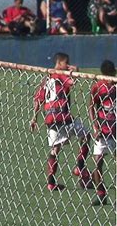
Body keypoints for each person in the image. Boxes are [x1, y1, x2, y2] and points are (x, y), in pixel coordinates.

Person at [30, 52, 92, 191]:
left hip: (50, 118)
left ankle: (51, 182)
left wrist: (34, 117)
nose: (68, 66)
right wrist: (75, 72)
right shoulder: (60, 75)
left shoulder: (46, 78)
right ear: (59, 63)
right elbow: (72, 82)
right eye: (66, 63)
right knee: (86, 135)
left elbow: (38, 99)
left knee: (55, 149)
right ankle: (79, 166)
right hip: (63, 116)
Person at [88, 60, 117, 206]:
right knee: (97, 162)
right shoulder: (98, 87)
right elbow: (92, 106)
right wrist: (95, 127)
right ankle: (101, 194)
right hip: (103, 130)